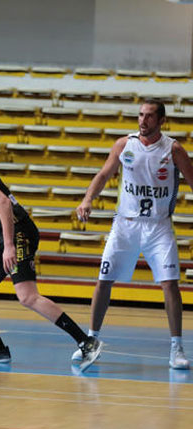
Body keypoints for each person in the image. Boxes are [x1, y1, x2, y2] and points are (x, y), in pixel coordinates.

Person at [0, 130, 102, 372]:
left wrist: (9, 245)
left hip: (18, 231)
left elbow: (3, 203)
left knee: (27, 296)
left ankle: (86, 342)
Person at [73, 99, 193, 370]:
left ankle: (176, 347)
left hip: (158, 226)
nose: (143, 120)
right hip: (125, 224)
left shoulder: (173, 149)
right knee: (104, 280)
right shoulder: (123, 144)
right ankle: (90, 342)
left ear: (161, 120)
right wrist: (87, 199)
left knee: (170, 283)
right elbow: (104, 174)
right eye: (140, 115)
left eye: (150, 116)